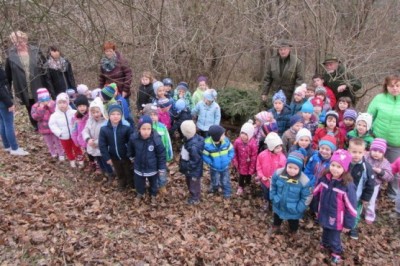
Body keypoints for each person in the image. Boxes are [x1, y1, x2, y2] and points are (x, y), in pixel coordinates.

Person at [313, 149, 357, 264]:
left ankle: (336, 251)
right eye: (333, 165)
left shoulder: (347, 185)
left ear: (345, 169)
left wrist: (348, 224)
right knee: (325, 229)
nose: (334, 169)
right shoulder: (324, 178)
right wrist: (315, 208)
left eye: (339, 167)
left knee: (334, 236)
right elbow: (316, 192)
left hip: (337, 217)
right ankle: (325, 243)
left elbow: (351, 207)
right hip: (324, 212)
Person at [5, 31, 47, 130]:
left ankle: (45, 124)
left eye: (20, 41)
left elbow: (45, 71)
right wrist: (9, 94)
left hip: (38, 85)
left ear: (25, 40)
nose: (18, 44)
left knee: (42, 106)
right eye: (15, 42)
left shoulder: (36, 51)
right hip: (22, 87)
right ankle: (36, 126)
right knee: (30, 107)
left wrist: (49, 88)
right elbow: (8, 77)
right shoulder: (10, 55)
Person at [367, 75, 400, 200]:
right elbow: (369, 115)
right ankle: (372, 190)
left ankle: (393, 195)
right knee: (373, 165)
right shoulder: (379, 98)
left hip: (397, 142)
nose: (395, 88)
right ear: (386, 86)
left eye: (397, 86)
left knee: (395, 170)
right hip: (378, 140)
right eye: (392, 86)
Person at [269, 149, 312, 236]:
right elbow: (272, 185)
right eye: (290, 167)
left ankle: (293, 231)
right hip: (279, 203)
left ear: (300, 168)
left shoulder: (304, 180)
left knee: (293, 222)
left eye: (295, 168)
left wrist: (299, 208)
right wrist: (273, 196)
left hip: (293, 208)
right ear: (286, 165)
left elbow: (307, 196)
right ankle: (276, 226)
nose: (292, 170)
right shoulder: (278, 173)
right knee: (277, 217)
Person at [128, 115, 166, 204]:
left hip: (152, 168)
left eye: (148, 129)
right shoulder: (134, 138)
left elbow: (161, 154)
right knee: (139, 183)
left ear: (151, 129)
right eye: (143, 129)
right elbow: (130, 149)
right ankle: (140, 193)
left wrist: (161, 168)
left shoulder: (156, 139)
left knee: (153, 183)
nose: (146, 132)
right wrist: (132, 158)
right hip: (139, 167)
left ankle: (153, 194)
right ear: (139, 129)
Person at [99, 104, 133, 190]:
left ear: (121, 115)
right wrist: (107, 157)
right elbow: (102, 144)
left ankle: (131, 183)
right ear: (108, 115)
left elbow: (131, 141)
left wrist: (130, 154)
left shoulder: (126, 127)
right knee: (119, 171)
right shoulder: (104, 128)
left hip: (125, 155)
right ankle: (122, 183)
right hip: (113, 155)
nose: (115, 116)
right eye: (113, 114)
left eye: (118, 114)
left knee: (128, 170)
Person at [347, 138, 375, 240]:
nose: (356, 155)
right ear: (349, 150)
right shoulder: (345, 162)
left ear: (364, 152)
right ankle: (343, 223)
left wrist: (366, 198)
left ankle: (352, 227)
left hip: (357, 197)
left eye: (360, 152)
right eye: (354, 152)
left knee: (355, 213)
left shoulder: (366, 167)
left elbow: (370, 184)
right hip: (344, 194)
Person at [261, 40, 304, 106]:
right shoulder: (272, 61)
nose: (283, 51)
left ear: (289, 49)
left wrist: (296, 95)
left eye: (285, 49)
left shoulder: (296, 62)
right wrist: (264, 93)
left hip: (290, 94)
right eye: (281, 49)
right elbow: (267, 79)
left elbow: (300, 80)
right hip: (276, 93)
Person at [142, 103, 173, 192]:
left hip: (161, 156)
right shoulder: (144, 129)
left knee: (162, 172)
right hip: (150, 157)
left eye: (155, 114)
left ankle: (162, 185)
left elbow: (167, 141)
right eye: (150, 115)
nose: (153, 117)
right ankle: (152, 185)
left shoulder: (162, 127)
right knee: (151, 173)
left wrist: (169, 155)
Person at [82, 97, 114, 182]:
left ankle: (111, 174)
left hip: (102, 148)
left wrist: (96, 143)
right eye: (93, 112)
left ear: (101, 111)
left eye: (97, 112)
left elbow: (106, 136)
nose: (95, 114)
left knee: (106, 162)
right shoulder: (90, 121)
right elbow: (85, 130)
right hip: (93, 146)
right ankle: (104, 173)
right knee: (99, 161)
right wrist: (88, 139)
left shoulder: (105, 122)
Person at [49, 93, 83, 168]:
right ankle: (72, 160)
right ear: (57, 104)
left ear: (67, 103)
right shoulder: (54, 115)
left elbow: (79, 121)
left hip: (74, 136)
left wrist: (78, 131)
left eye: (64, 102)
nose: (62, 105)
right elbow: (52, 125)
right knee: (68, 149)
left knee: (77, 148)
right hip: (63, 136)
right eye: (60, 103)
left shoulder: (73, 112)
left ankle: (80, 160)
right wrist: (59, 133)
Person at [0, 67, 29, 156]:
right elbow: (1, 88)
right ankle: (14, 148)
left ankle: (7, 145)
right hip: (3, 101)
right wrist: (9, 103)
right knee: (8, 124)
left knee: (3, 122)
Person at [364, 138, 393, 224]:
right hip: (363, 181)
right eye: (375, 150)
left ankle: (369, 214)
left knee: (371, 200)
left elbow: (390, 177)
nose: (377, 153)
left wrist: (381, 172)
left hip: (374, 184)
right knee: (359, 196)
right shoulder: (365, 156)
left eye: (380, 152)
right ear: (370, 149)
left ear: (383, 153)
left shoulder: (385, 162)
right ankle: (358, 209)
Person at [256, 132, 286, 211]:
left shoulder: (282, 158)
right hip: (265, 181)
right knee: (266, 193)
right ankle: (267, 202)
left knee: (275, 194)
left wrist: (278, 178)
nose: (280, 149)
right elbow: (259, 167)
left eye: (280, 146)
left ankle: (274, 204)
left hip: (276, 182)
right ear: (271, 147)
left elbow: (283, 171)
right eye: (277, 147)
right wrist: (261, 176)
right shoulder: (262, 155)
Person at [203, 125, 234, 199]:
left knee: (225, 180)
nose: (224, 136)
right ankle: (214, 188)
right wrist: (210, 162)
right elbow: (204, 155)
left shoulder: (226, 142)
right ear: (216, 137)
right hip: (214, 167)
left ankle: (227, 192)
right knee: (215, 179)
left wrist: (229, 159)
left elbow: (231, 150)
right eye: (222, 135)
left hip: (225, 166)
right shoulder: (207, 145)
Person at [31, 88, 63, 160]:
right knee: (49, 142)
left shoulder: (53, 103)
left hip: (54, 127)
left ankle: (61, 153)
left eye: (46, 99)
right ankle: (53, 153)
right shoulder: (35, 106)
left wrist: (50, 106)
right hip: (44, 128)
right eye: (43, 100)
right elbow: (35, 117)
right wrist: (41, 109)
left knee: (58, 141)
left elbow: (57, 113)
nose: (45, 101)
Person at [179, 120, 205, 205]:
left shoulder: (193, 146)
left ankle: (195, 198)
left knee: (193, 184)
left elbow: (195, 160)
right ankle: (193, 195)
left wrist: (187, 167)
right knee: (189, 182)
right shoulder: (190, 139)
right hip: (189, 167)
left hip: (192, 169)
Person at [233, 120, 257, 196]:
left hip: (249, 164)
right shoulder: (237, 142)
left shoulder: (253, 144)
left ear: (249, 135)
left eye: (245, 134)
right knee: (241, 176)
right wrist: (235, 161)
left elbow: (254, 156)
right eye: (242, 133)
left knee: (248, 176)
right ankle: (240, 186)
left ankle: (247, 185)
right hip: (240, 163)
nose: (243, 135)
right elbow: (234, 152)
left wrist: (252, 167)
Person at [71, 95, 90, 169]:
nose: (82, 108)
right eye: (80, 106)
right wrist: (76, 140)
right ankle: (92, 163)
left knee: (94, 153)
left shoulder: (90, 115)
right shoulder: (75, 118)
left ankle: (97, 165)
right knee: (87, 153)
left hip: (90, 139)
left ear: (87, 106)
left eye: (84, 105)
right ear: (77, 107)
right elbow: (74, 130)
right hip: (82, 140)